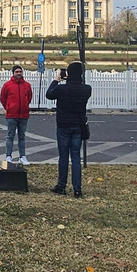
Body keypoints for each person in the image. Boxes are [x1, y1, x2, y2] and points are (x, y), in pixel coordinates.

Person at [45, 61, 92, 198]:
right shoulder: (86, 89)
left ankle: (61, 185)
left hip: (63, 124)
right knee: (76, 157)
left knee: (63, 156)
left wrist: (56, 80)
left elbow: (49, 94)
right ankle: (77, 189)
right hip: (78, 125)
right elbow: (80, 86)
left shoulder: (61, 89)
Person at [0, 65, 33, 165]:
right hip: (12, 115)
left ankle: (22, 156)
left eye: (20, 72)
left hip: (23, 114)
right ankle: (8, 156)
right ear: (13, 73)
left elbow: (29, 97)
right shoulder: (7, 85)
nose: (19, 73)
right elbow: (3, 98)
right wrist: (9, 108)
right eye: (17, 72)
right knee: (10, 136)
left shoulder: (27, 85)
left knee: (22, 136)